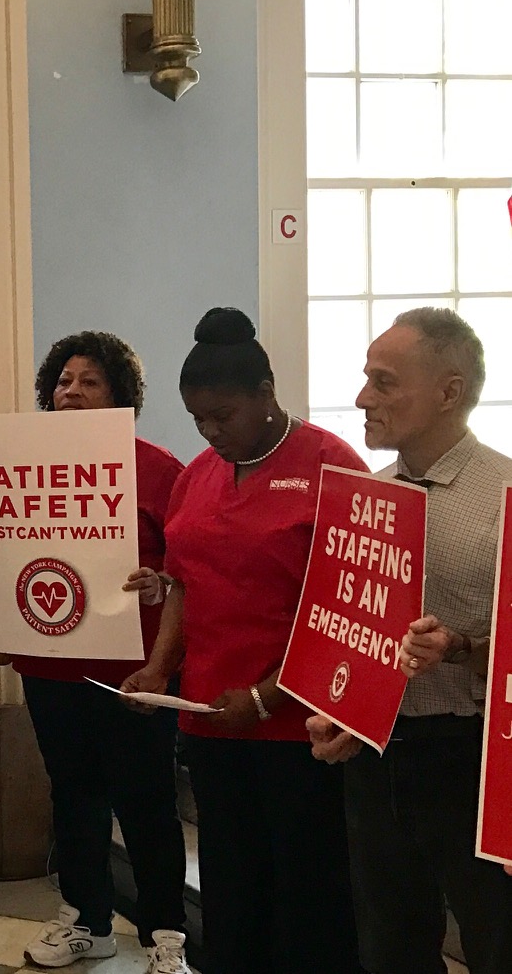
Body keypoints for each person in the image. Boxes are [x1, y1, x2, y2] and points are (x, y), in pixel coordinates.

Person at [120, 308, 365, 974]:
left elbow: (345, 613)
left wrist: (264, 696)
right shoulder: (199, 475)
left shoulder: (331, 465)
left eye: (223, 414)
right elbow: (183, 583)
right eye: (197, 417)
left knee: (308, 900)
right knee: (231, 891)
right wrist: (159, 667)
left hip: (300, 732)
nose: (210, 431)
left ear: (266, 393)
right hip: (211, 723)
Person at [308, 308, 512, 974]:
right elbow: (345, 631)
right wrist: (336, 710)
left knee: (496, 939)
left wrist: (460, 645)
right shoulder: (365, 498)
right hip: (378, 755)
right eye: (366, 378)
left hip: (474, 760)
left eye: (384, 381)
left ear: (449, 392)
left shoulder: (505, 494)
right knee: (389, 944)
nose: (363, 397)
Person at [0, 333, 187, 973]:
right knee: (72, 795)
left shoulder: (159, 469)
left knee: (146, 801)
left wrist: (158, 593)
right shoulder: (19, 465)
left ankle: (167, 937)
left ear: (121, 396)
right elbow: (6, 552)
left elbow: (188, 574)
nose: (71, 392)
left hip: (134, 671)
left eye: (90, 382)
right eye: (63, 381)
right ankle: (86, 922)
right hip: (48, 665)